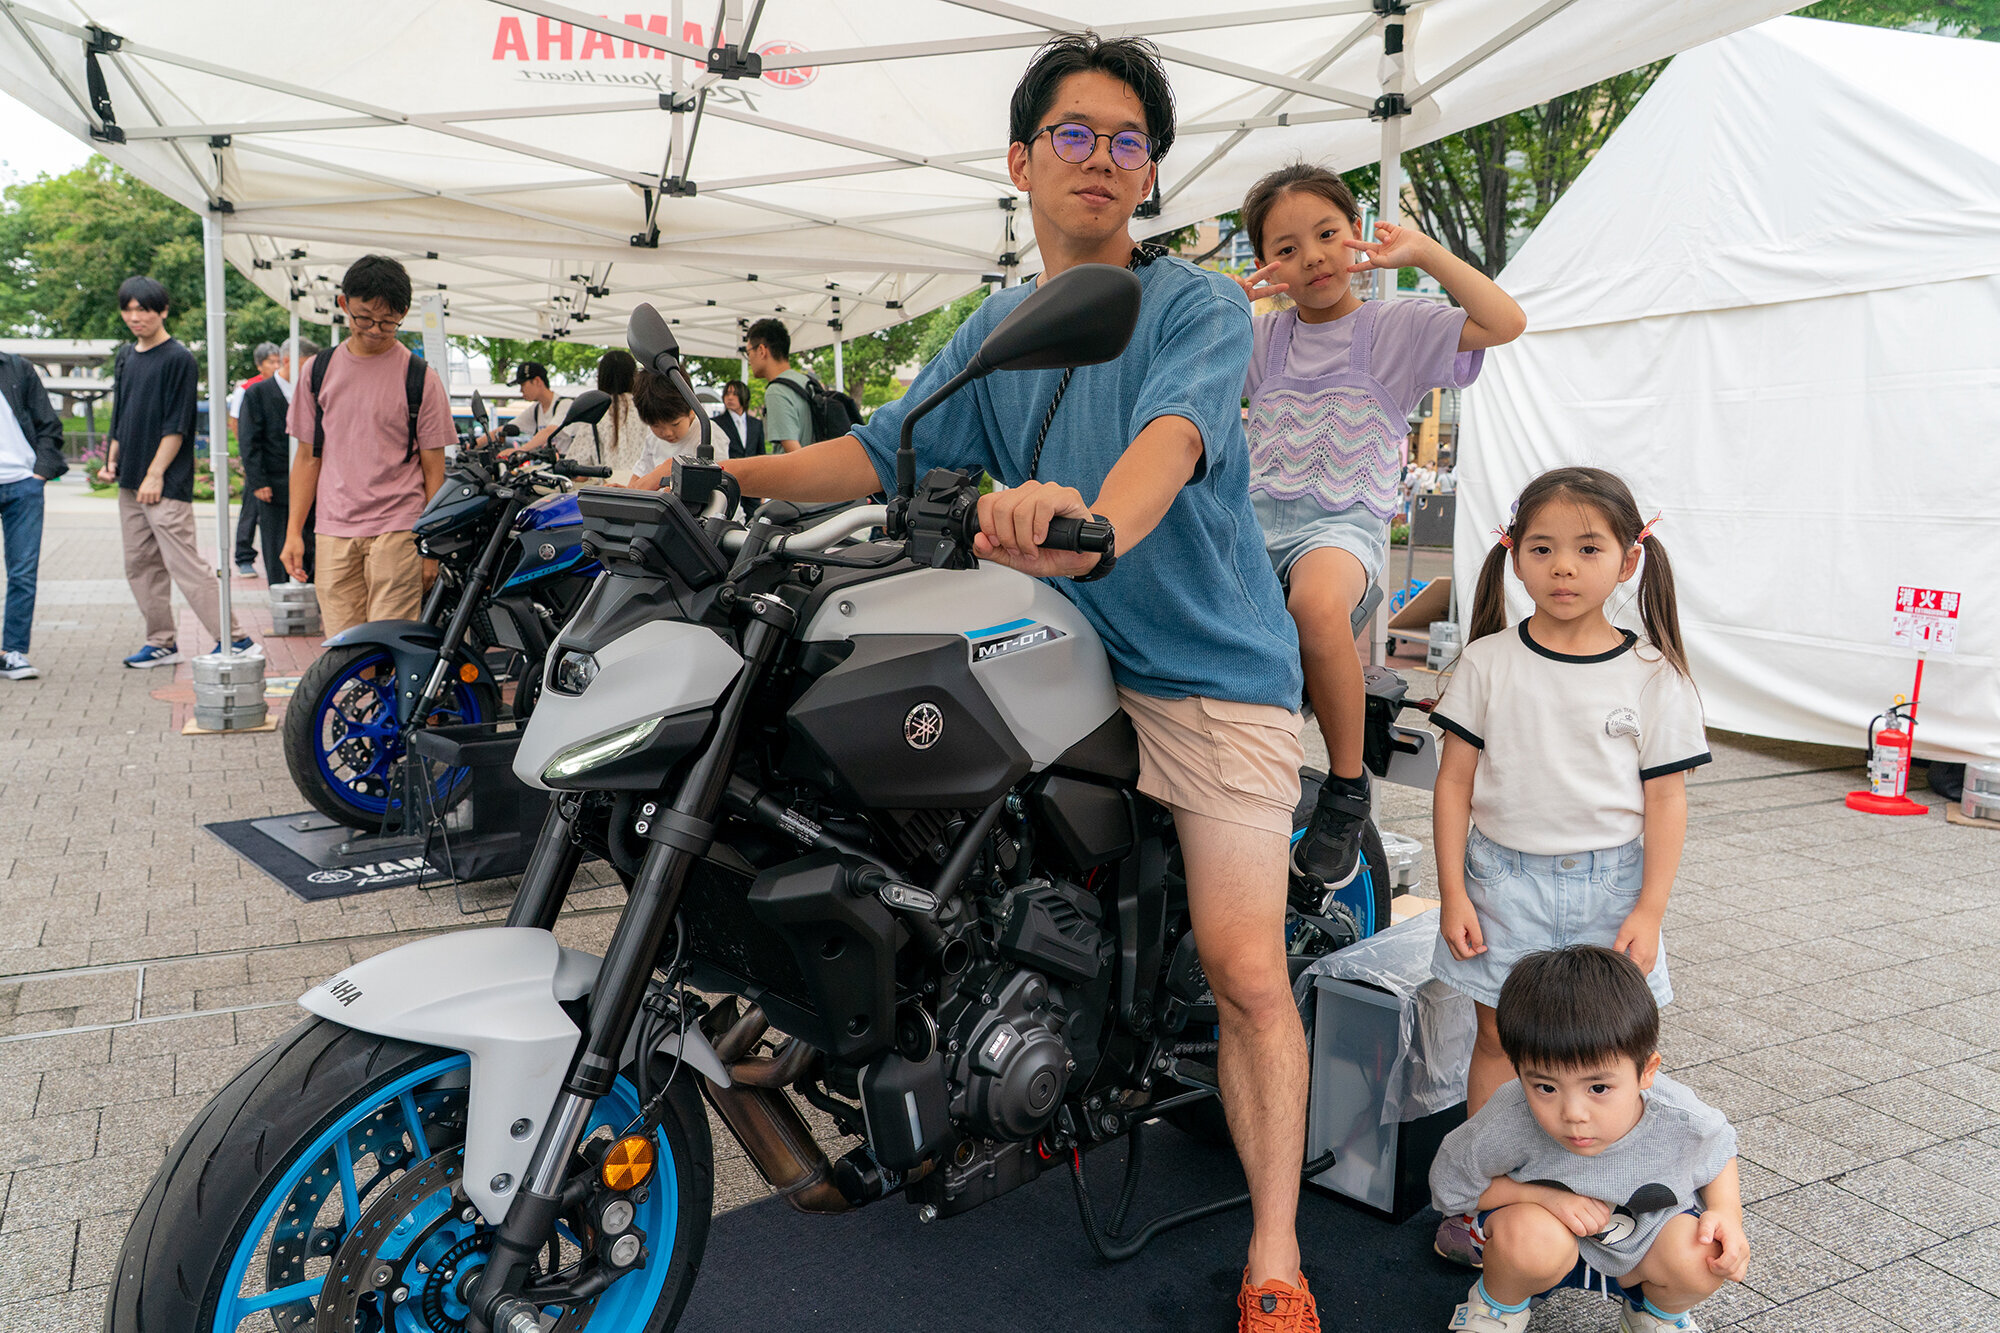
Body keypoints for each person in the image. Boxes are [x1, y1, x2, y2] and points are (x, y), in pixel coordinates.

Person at [720, 34, 1322, 1329]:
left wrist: (1093, 517)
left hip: (1202, 671)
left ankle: (1277, 1253)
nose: (1101, 159)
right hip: (1052, 656)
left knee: (1245, 969)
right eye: (1074, 135)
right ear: (1020, 161)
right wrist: (715, 482)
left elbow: (1174, 438)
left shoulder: (1197, 307)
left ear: (1149, 174)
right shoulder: (992, 327)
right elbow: (882, 451)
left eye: (1127, 141)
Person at [1427, 466, 1709, 1266]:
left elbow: (1666, 803)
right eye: (1543, 547)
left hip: (1610, 883)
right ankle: (1491, 1199)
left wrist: (1650, 907)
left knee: (1613, 1047)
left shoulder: (1654, 675)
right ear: (1513, 556)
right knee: (1496, 1041)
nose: (1563, 566)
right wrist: (1453, 891)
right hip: (1498, 880)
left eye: (1588, 548)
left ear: (1628, 560)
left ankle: (1622, 1194)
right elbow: (1453, 784)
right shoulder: (1486, 662)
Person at [1229, 164, 1524, 892]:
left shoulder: (1395, 327)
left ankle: (1347, 786)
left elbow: (1506, 321)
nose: (1315, 257)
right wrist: (1214, 308)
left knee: (1314, 603)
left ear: (1356, 234)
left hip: (1340, 530)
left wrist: (1424, 254)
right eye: (1288, 247)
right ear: (1268, 263)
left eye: (1328, 234)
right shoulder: (1260, 340)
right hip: (1253, 533)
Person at [1429, 946, 1749, 1333]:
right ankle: (1497, 1307)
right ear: (1518, 1072)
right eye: (1545, 1086)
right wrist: (1543, 1197)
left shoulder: (1679, 1115)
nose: (1573, 1113)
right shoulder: (1510, 1114)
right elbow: (1451, 1186)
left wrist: (1728, 1215)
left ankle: (1655, 1315)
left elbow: (1720, 1149)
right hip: (1544, 1240)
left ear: (1646, 1072)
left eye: (1598, 1087)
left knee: (1704, 1253)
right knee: (1526, 1240)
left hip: (1644, 1243)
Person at [281, 255, 454, 637]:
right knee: (342, 646)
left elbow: (433, 471)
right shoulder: (317, 372)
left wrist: (433, 546)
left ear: (403, 313)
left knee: (389, 642)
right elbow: (308, 460)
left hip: (399, 527)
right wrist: (294, 532)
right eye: (364, 318)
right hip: (333, 528)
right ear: (344, 304)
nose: (376, 330)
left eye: (388, 321)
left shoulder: (420, 378)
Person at [100, 276, 249, 667]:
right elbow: (121, 415)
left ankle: (235, 639)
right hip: (128, 481)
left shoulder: (178, 358)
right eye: (128, 309)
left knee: (185, 564)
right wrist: (111, 459)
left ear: (162, 311)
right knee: (139, 564)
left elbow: (177, 424)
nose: (135, 317)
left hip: (164, 482)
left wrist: (154, 474)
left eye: (143, 309)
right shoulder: (125, 356)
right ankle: (162, 641)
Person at [0, 344, 67, 680]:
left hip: (22, 485)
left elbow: (48, 424)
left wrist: (39, 474)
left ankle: (12, 652)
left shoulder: (17, 368)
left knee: (22, 573)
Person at [237, 338, 313, 587]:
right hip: (273, 483)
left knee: (309, 542)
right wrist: (258, 481)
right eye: (305, 366)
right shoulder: (258, 393)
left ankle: (310, 594)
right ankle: (279, 593)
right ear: (288, 361)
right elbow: (249, 441)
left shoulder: (313, 392)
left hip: (308, 484)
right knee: (275, 542)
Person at [228, 343, 284, 578]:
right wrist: (248, 457)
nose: (275, 366)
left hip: (274, 461)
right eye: (271, 362)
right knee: (250, 508)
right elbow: (236, 423)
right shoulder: (248, 389)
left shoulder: (283, 386)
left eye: (278, 361)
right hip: (255, 458)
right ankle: (244, 556)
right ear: (260, 365)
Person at [555, 349, 649, 479]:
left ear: (602, 377)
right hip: (644, 488)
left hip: (607, 492)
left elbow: (577, 467)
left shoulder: (595, 411)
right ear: (633, 376)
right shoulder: (646, 407)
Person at [626, 370, 702, 490]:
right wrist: (627, 492)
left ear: (691, 410)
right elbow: (641, 473)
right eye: (656, 426)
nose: (667, 433)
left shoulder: (706, 435)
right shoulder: (653, 439)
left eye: (675, 424)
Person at [745, 319, 814, 453]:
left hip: (797, 473)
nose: (749, 361)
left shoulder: (776, 391)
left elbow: (794, 454)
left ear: (761, 350)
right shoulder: (806, 382)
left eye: (748, 353)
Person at [499, 361, 569, 449]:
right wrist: (477, 443)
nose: (521, 391)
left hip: (568, 461)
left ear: (537, 381)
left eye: (523, 385)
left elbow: (549, 431)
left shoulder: (565, 405)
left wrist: (520, 450)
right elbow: (505, 428)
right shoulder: (536, 409)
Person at [710, 379, 765, 459]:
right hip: (727, 468)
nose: (730, 397)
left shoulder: (756, 424)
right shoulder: (715, 423)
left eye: (735, 394)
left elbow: (761, 454)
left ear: (744, 396)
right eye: (727, 394)